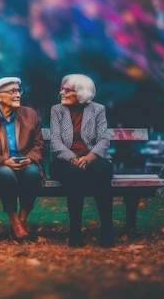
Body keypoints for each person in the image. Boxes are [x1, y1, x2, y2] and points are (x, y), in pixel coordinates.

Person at [0, 77, 44, 242]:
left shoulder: (30, 114)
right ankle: (14, 221)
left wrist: (29, 159)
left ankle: (23, 220)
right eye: (12, 91)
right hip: (0, 165)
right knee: (6, 174)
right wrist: (4, 161)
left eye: (18, 91)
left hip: (26, 163)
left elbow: (38, 144)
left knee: (33, 173)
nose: (18, 94)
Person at [49, 74, 114, 247]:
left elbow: (103, 140)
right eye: (62, 88)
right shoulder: (57, 110)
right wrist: (73, 158)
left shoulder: (97, 109)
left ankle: (107, 231)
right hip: (63, 160)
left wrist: (90, 157)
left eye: (67, 90)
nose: (61, 92)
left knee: (102, 170)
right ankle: (75, 233)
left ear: (81, 93)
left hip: (91, 158)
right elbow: (55, 142)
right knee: (75, 174)